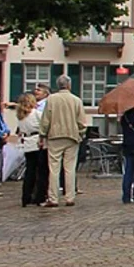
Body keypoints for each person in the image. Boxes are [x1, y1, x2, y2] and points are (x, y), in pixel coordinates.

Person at [41, 75, 85, 207]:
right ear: (69, 85)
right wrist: (80, 134)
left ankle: (53, 198)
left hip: (54, 136)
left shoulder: (51, 99)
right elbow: (82, 122)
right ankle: (70, 197)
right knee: (70, 168)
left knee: (54, 168)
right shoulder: (76, 100)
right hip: (72, 136)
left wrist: (43, 134)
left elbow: (45, 119)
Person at [14, 93, 48, 208]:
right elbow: (44, 126)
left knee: (30, 171)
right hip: (37, 142)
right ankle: (40, 196)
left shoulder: (20, 116)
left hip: (27, 143)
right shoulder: (37, 114)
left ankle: (26, 196)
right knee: (42, 172)